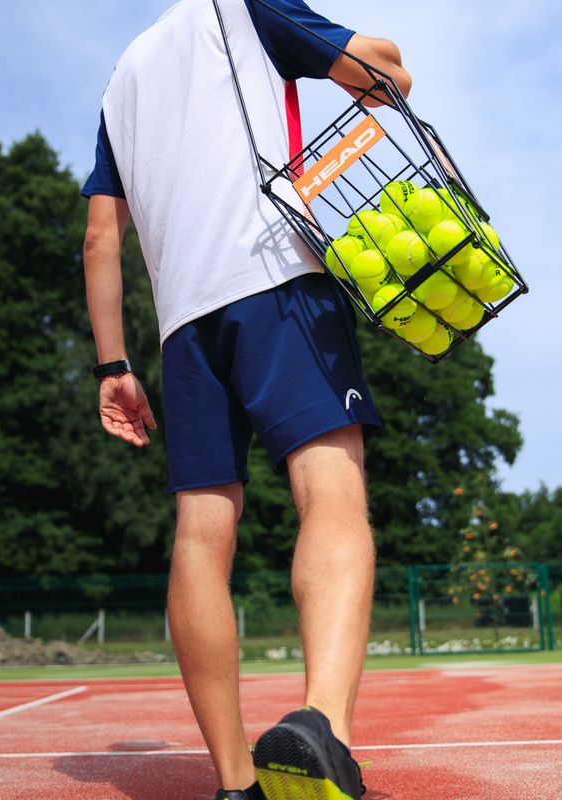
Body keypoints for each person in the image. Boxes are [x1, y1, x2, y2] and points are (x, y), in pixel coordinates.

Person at [81, 1, 411, 798]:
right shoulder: (250, 4)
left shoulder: (121, 79)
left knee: (201, 532)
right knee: (330, 493)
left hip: (181, 327)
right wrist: (383, 62)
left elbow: (99, 238)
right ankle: (320, 723)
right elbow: (383, 72)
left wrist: (112, 366)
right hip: (278, 280)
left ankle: (234, 782)